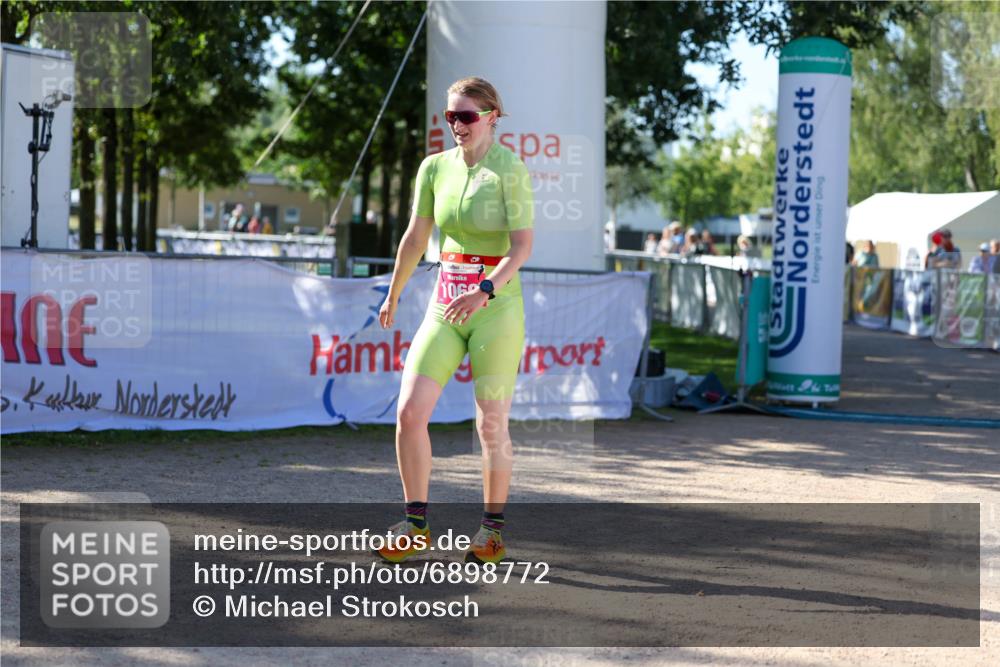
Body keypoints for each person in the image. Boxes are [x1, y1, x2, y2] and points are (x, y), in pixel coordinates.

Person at [376, 76, 533, 566]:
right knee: (409, 413)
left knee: (490, 423)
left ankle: (491, 532)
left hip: (495, 309)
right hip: (445, 306)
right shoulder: (434, 168)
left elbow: (522, 248)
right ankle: (415, 526)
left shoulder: (509, 169)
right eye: (450, 116)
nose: (456, 125)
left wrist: (485, 290)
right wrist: (394, 292)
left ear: (490, 116)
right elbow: (415, 238)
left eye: (465, 116)